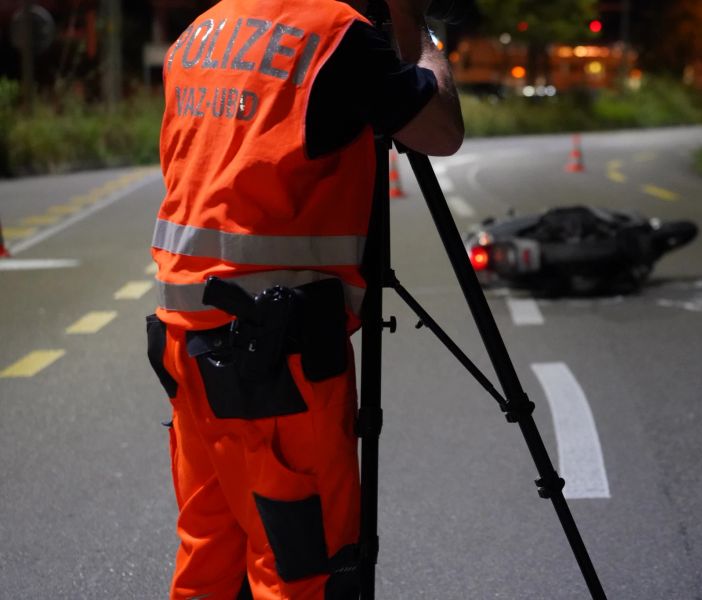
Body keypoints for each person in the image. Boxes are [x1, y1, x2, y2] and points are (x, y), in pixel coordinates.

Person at [144, 0, 463, 597]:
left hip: (185, 345)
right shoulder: (336, 34)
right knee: (303, 574)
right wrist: (413, 27)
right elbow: (440, 131)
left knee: (210, 560)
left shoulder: (198, 34)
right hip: (280, 358)